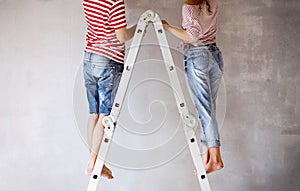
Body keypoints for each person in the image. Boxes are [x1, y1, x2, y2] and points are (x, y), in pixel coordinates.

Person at [162, 0, 224, 174]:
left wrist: (167, 27)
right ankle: (207, 156)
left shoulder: (188, 7)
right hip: (215, 55)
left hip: (198, 57)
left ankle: (216, 158)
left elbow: (192, 36)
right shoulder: (211, 3)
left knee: (204, 110)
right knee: (209, 109)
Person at [82, 0, 136, 179]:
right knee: (105, 116)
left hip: (89, 59)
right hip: (108, 61)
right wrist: (137, 27)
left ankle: (95, 161)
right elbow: (122, 36)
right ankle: (93, 163)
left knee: (94, 114)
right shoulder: (115, 2)